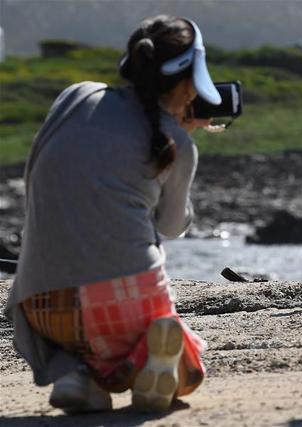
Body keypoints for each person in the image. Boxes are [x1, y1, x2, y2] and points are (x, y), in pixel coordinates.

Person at [4, 15, 221, 413]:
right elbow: (172, 227)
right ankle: (154, 365)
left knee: (77, 337)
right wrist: (181, 141)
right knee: (189, 369)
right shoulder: (178, 143)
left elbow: (38, 174)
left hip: (41, 302)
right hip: (125, 302)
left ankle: (73, 374)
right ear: (191, 83)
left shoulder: (76, 96)